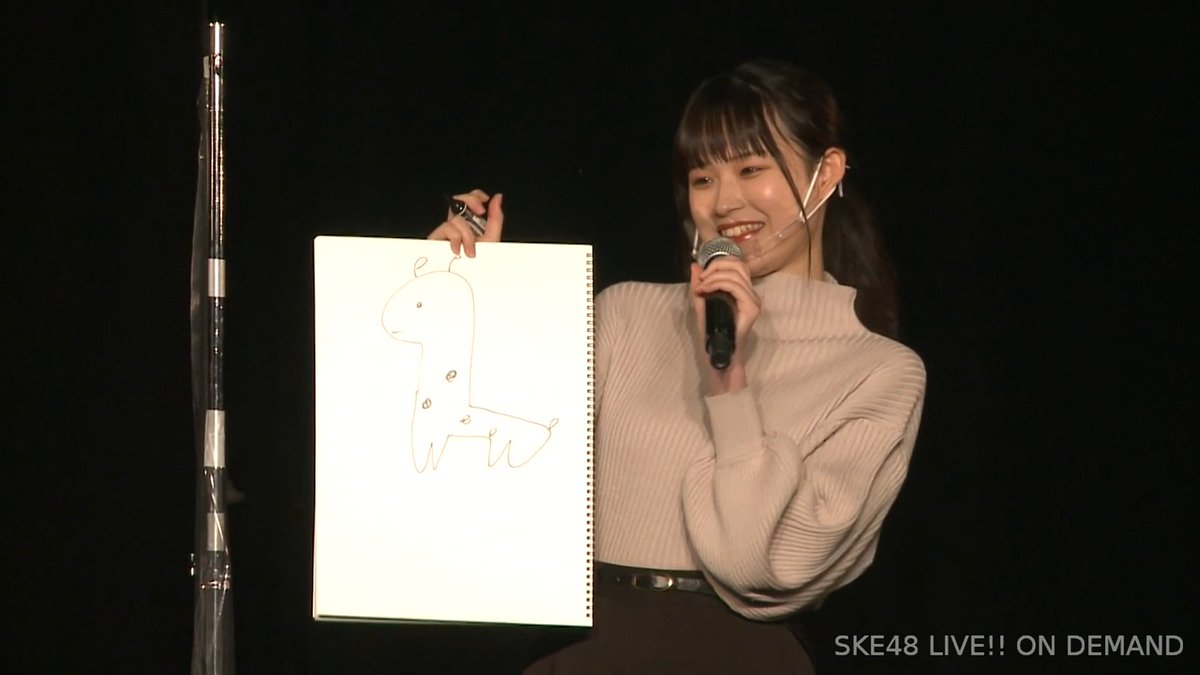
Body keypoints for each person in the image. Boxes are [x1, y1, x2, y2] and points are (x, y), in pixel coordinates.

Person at [429, 59, 926, 674]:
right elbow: (496, 449)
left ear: (825, 173)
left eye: (751, 169)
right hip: (588, 649)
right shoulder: (624, 314)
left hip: (737, 656)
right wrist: (470, 287)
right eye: (702, 178)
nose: (725, 201)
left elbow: (760, 566)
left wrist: (728, 383)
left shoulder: (879, 372)